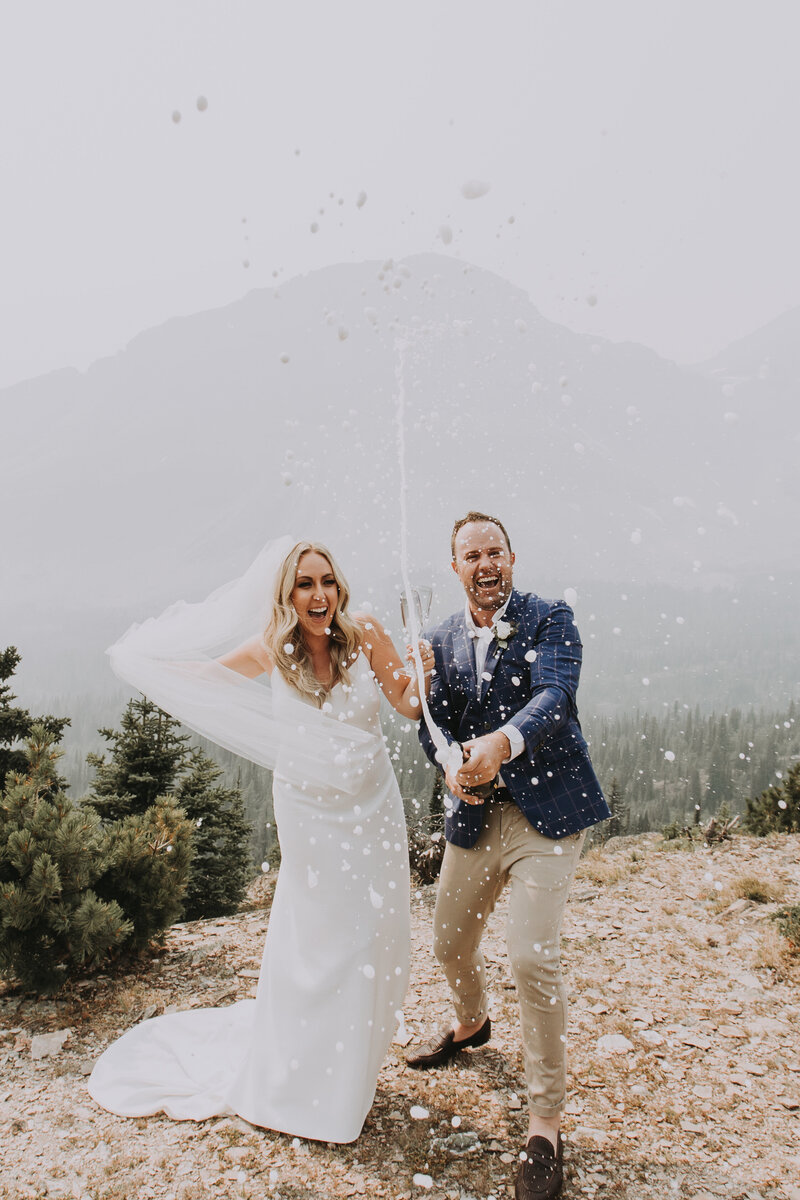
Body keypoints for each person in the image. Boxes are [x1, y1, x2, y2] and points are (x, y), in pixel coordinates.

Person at [88, 539, 433, 1144]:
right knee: (319, 933)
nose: (319, 594)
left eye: (326, 581)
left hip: (373, 808)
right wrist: (142, 661)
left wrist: (421, 673)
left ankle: (352, 1059)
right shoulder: (274, 651)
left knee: (372, 931)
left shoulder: (368, 632)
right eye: (305, 584)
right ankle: (305, 1070)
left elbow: (405, 703)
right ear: (287, 594)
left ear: (339, 587)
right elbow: (206, 677)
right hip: (310, 814)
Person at [406, 512, 609, 1200]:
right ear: (455, 567)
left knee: (532, 957)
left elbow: (554, 698)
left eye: (495, 551)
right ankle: (472, 1022)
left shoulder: (551, 618)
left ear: (513, 558)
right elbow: (433, 727)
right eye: (472, 554)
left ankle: (544, 1127)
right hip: (474, 818)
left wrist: (500, 745)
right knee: (447, 943)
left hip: (547, 818)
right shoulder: (436, 637)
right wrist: (449, 765)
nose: (485, 563)